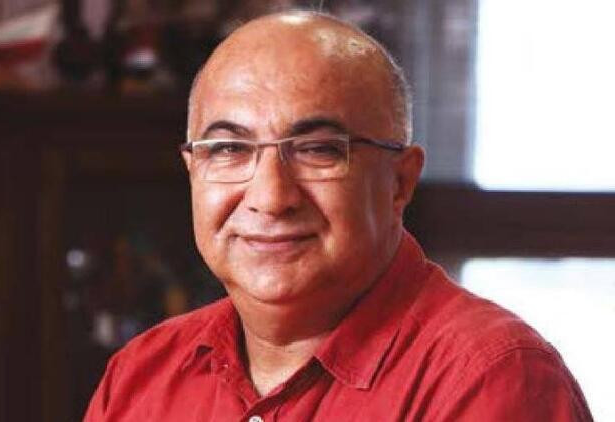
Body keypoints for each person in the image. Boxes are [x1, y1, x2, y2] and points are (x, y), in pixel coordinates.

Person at [84, 11, 592, 421]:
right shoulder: (141, 377)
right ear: (193, 171)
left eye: (318, 150)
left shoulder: (490, 378)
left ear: (400, 181)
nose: (270, 197)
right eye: (229, 149)